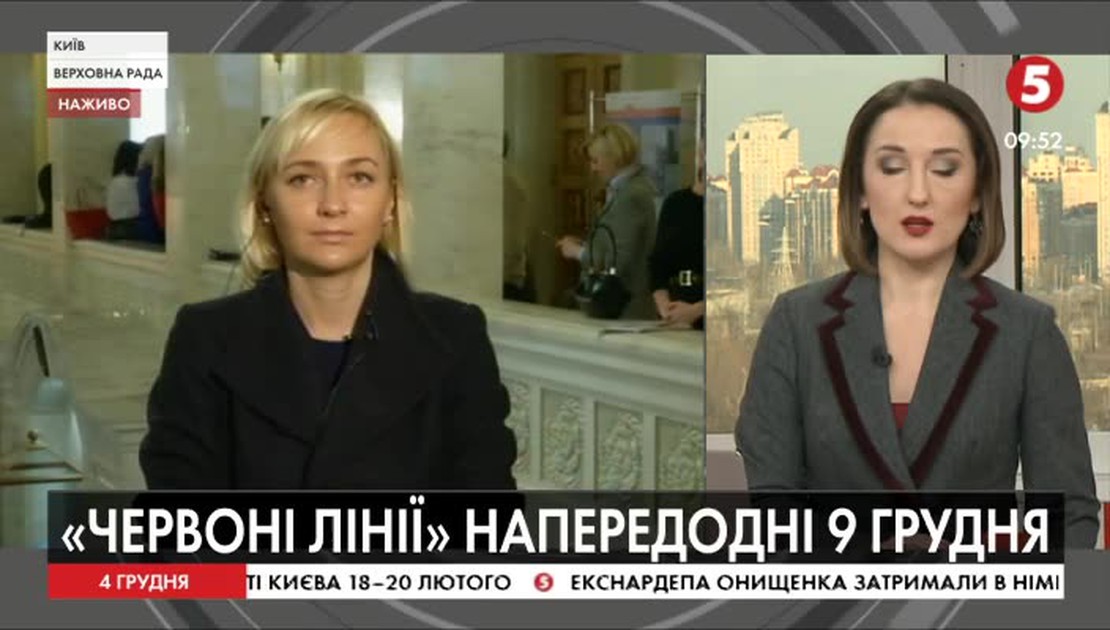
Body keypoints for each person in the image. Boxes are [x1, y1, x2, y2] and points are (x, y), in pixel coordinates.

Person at [734, 78, 1099, 547]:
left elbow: (1067, 521)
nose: (918, 193)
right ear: (860, 190)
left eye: (945, 169)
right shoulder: (796, 324)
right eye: (892, 167)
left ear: (976, 192)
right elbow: (773, 520)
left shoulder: (1027, 333)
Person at [139, 88, 518, 490]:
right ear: (265, 202)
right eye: (303, 179)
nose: (333, 204)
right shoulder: (206, 339)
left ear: (390, 201)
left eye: (359, 177)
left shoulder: (455, 336)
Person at [557, 123, 657, 320]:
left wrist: (577, 252)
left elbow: (619, 261)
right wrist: (587, 245)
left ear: (615, 157)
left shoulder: (631, 195)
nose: (593, 168)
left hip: (625, 309)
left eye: (596, 161)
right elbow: (618, 241)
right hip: (619, 307)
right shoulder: (625, 189)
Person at [649, 146, 706, 329]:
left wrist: (696, 311)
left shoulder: (735, 206)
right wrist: (664, 306)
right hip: (673, 320)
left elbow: (747, 282)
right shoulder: (675, 203)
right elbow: (657, 264)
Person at [105, 140, 143, 240]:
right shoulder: (132, 181)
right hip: (129, 229)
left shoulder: (114, 180)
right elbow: (139, 208)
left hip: (113, 228)